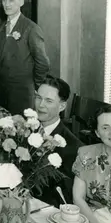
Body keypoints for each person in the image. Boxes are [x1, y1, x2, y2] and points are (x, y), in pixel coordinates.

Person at [0, 0, 50, 114]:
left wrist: (34, 86)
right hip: (3, 92)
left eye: (11, 0)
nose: (7, 4)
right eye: (4, 0)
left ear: (21, 2)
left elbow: (42, 62)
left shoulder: (31, 28)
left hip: (22, 93)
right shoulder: (2, 27)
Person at [33, 76, 83, 207]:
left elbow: (63, 197)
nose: (40, 105)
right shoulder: (26, 130)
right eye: (38, 97)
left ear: (62, 106)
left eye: (48, 101)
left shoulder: (73, 147)